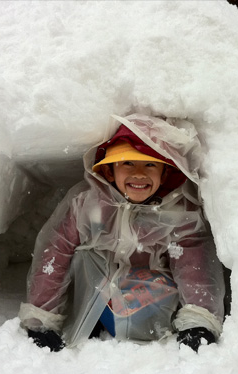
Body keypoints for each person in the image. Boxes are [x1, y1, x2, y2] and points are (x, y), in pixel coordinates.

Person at [18, 113, 225, 352]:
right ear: (109, 171)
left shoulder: (177, 213)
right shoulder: (89, 205)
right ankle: (95, 317)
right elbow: (56, 252)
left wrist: (198, 321)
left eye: (150, 164)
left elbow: (193, 267)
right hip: (97, 290)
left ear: (165, 173)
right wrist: (41, 318)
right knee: (83, 256)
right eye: (127, 162)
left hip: (153, 295)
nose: (139, 173)